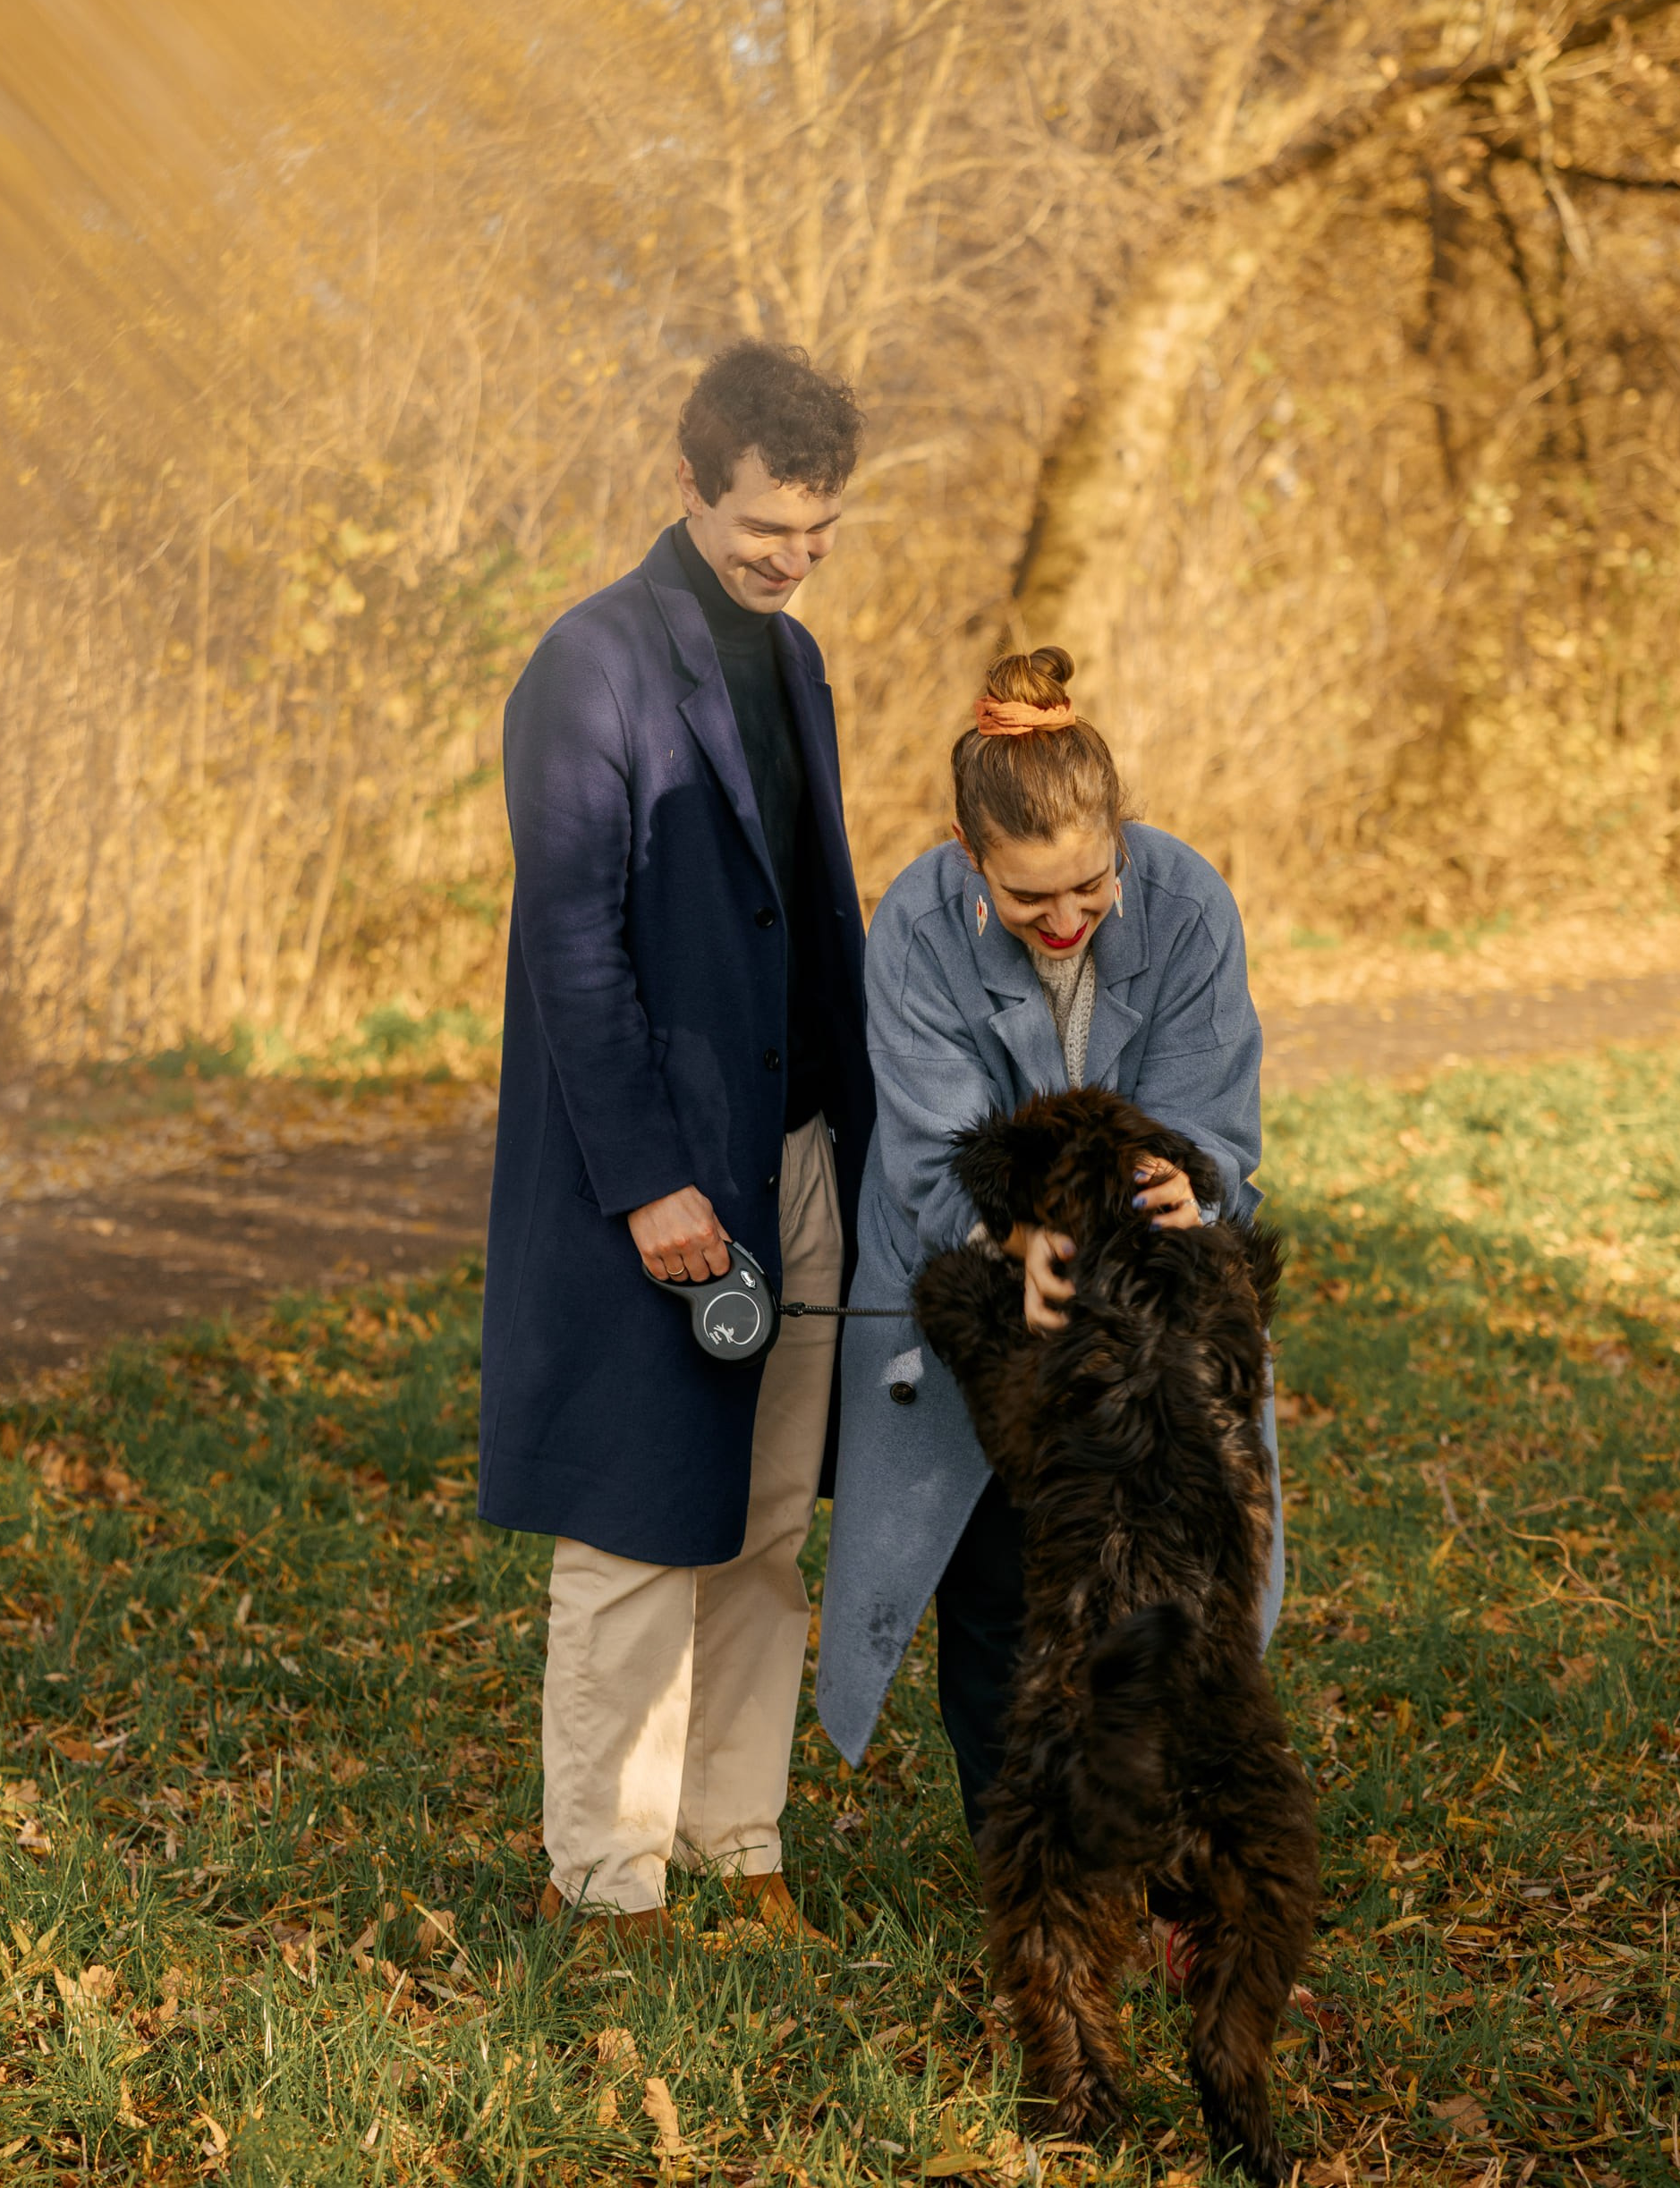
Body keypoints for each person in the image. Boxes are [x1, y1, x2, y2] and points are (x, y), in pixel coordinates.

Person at [478, 340, 875, 1941]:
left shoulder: (795, 660)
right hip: (658, 1174)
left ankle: (737, 1845)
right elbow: (576, 948)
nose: (789, 558)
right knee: (641, 1528)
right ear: (687, 482)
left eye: (817, 533)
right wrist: (650, 1183)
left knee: (770, 1529)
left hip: (798, 1154)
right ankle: (606, 1877)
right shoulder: (588, 667)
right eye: (762, 527)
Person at [815, 644, 1283, 1838]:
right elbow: (931, 1148)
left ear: (1120, 835)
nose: (1067, 918)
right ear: (973, 863)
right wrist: (1010, 1240)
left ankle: (1158, 1840)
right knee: (998, 1581)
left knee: (1169, 1575)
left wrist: (1196, 1182)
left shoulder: (1189, 904)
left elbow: (1214, 1113)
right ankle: (1021, 1847)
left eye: (1092, 885)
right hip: (970, 1273)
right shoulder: (915, 925)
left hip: (1152, 1284)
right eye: (1030, 900)